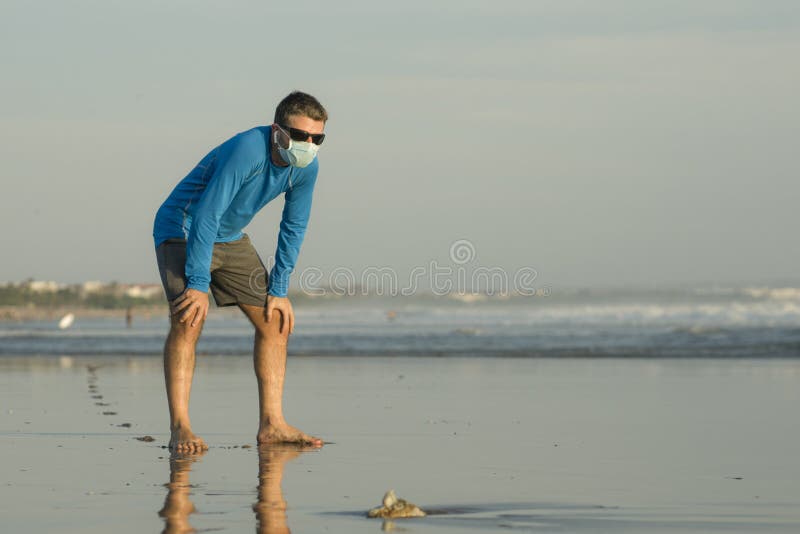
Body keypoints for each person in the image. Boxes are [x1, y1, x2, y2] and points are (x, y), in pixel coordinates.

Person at [153, 91, 327, 453]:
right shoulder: (248, 149)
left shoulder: (306, 167)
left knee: (275, 321)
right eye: (300, 136)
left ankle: (272, 424)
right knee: (188, 319)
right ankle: (181, 427)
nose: (308, 145)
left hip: (230, 238)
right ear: (278, 131)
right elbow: (207, 213)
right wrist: (198, 283)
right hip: (182, 227)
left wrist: (279, 289)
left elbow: (294, 226)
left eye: (317, 138)